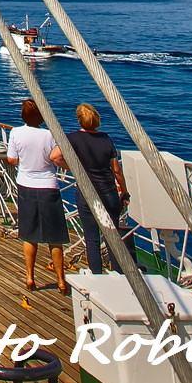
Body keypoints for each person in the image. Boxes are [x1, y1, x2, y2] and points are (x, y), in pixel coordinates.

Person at [6, 98, 68, 293]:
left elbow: (11, 159)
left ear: (23, 116)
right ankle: (61, 280)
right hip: (48, 186)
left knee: (29, 235)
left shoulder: (16, 133)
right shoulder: (50, 135)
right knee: (55, 238)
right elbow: (57, 157)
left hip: (26, 185)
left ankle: (30, 277)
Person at [67, 102, 129, 274]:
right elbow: (117, 170)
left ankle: (96, 274)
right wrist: (124, 191)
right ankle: (119, 274)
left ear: (79, 120)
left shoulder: (73, 138)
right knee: (113, 238)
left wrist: (75, 169)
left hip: (87, 192)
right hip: (109, 192)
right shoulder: (106, 139)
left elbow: (55, 157)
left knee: (92, 238)